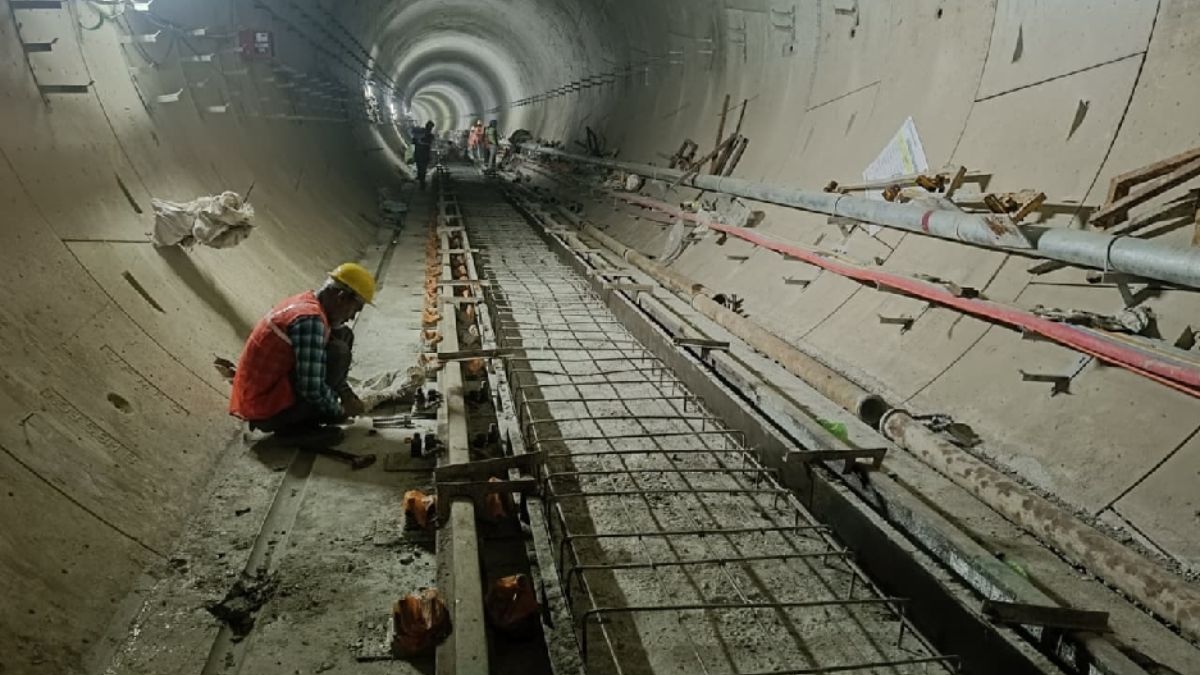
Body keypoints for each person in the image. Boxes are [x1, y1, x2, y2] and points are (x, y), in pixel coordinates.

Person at [229, 263, 376, 443]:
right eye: (355, 309)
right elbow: (311, 387)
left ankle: (308, 415)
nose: (352, 316)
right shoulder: (310, 320)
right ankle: (292, 428)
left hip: (267, 393)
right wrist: (339, 411)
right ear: (341, 297)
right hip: (265, 408)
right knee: (338, 352)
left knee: (343, 334)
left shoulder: (309, 302)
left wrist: (346, 395)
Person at [413, 120, 435, 189]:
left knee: (421, 168)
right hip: (423, 154)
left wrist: (419, 142)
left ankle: (421, 181)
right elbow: (429, 144)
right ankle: (421, 181)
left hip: (420, 153)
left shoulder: (423, 133)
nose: (430, 129)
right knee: (422, 168)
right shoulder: (429, 135)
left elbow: (414, 141)